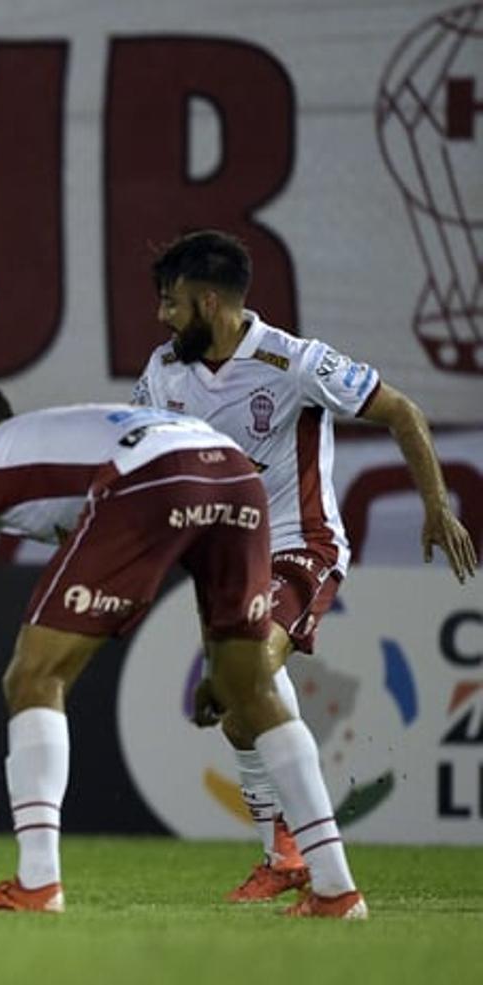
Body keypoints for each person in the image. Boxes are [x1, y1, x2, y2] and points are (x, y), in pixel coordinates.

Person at [0, 385, 367, 919]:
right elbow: (189, 542)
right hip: (235, 473)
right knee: (252, 688)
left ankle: (37, 883)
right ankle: (336, 887)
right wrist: (220, 658)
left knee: (34, 677)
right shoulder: (60, 437)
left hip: (154, 474)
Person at [132, 230, 476, 901]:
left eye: (172, 303)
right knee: (240, 715)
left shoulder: (295, 362)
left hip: (300, 546)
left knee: (248, 681)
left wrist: (436, 506)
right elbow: (148, 464)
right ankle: (284, 856)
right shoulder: (162, 374)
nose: (162, 317)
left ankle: (319, 869)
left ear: (209, 302)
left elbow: (402, 411)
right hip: (226, 561)